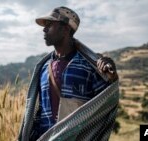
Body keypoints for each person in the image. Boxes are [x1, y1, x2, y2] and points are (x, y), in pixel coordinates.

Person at [18, 6, 119, 141]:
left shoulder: (88, 67)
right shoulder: (43, 69)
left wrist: (111, 75)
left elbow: (106, 103)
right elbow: (39, 112)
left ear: (65, 28)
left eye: (50, 24)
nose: (44, 29)